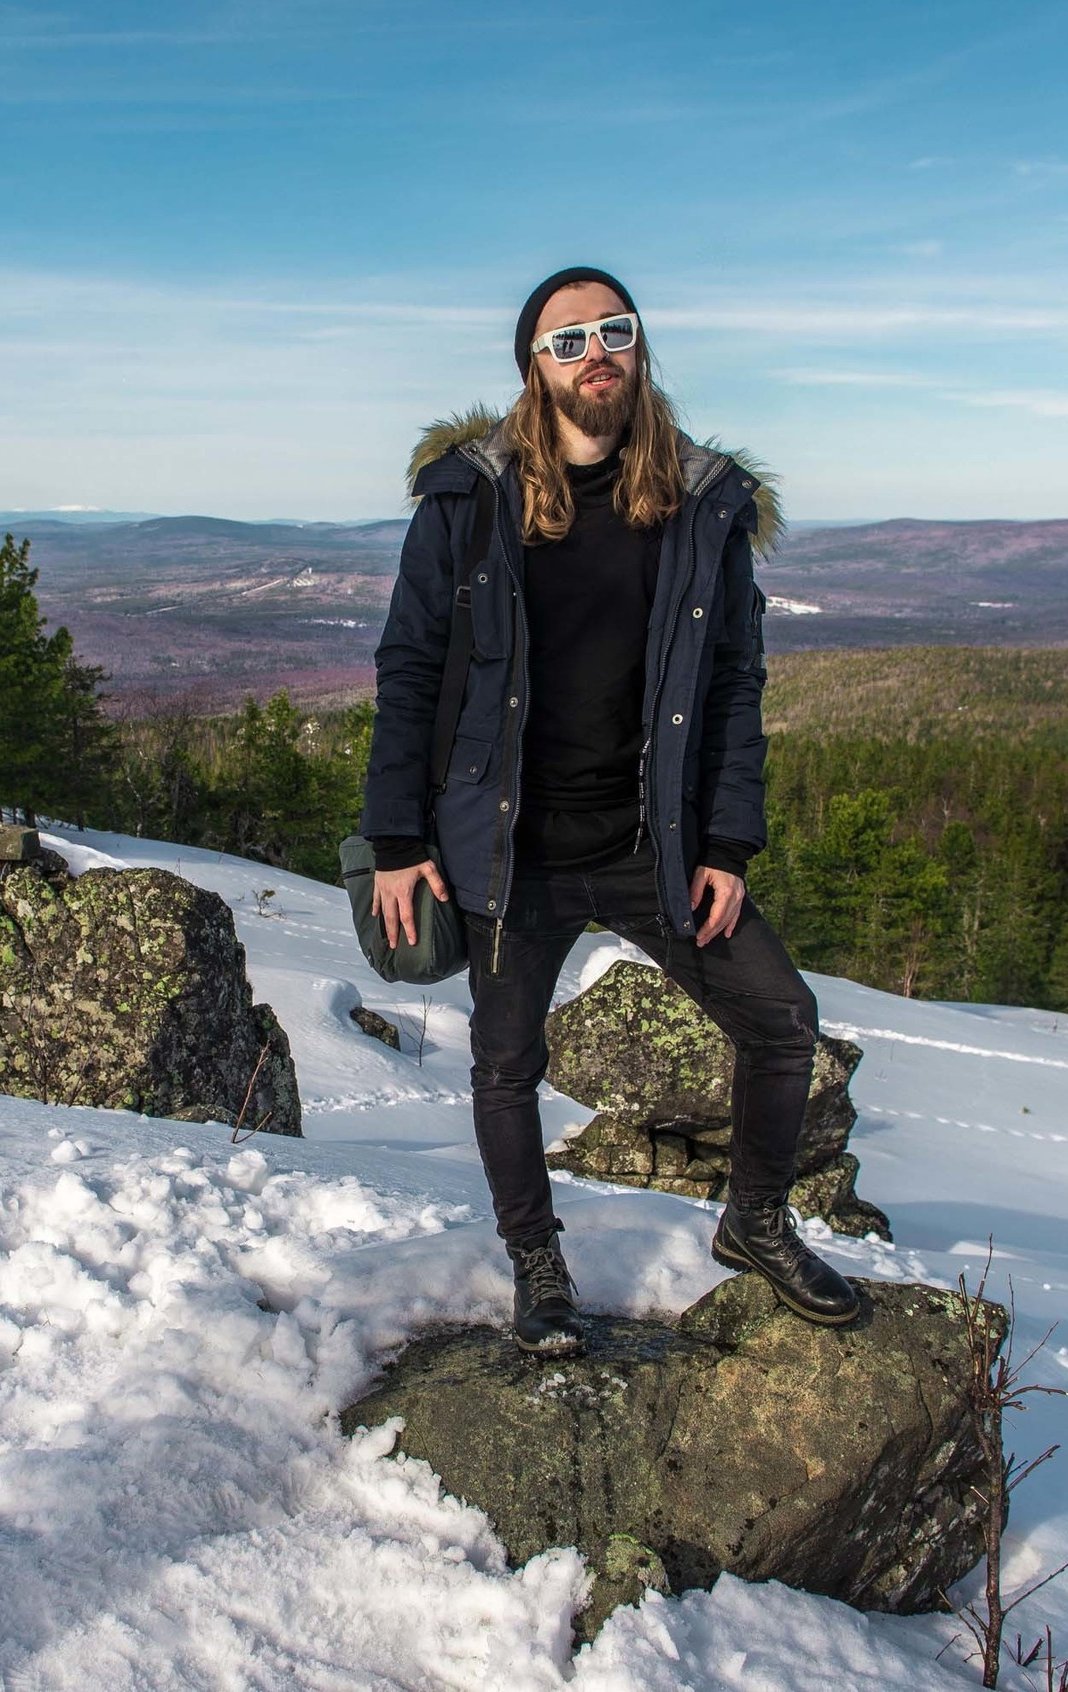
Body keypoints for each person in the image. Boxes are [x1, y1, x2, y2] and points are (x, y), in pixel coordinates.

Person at [357, 268, 861, 1356]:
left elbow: (733, 681)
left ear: (639, 349)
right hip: (507, 848)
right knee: (504, 1064)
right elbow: (408, 668)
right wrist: (397, 839)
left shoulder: (702, 505)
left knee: (780, 1019)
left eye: (613, 331)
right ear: (534, 370)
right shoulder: (468, 497)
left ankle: (756, 1224)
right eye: (567, 338)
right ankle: (536, 1262)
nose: (594, 352)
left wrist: (727, 842)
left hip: (653, 843)